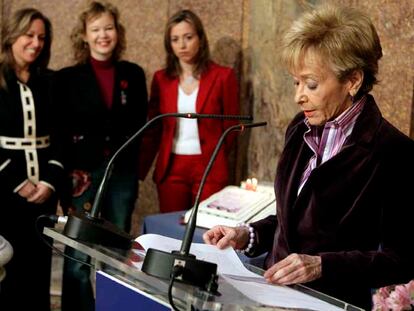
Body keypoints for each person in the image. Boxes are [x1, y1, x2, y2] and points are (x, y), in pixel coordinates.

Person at [203, 4, 414, 310]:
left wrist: (320, 265)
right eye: (296, 82)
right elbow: (292, 222)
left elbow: (401, 259)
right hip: (271, 298)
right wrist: (246, 235)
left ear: (353, 80)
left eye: (311, 84)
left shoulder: (393, 151)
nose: (298, 95)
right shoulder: (299, 128)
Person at [53, 1, 148, 310]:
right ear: (84, 35)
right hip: (82, 176)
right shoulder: (67, 78)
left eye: (108, 28)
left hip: (121, 177)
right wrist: (67, 177)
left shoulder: (132, 75)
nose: (102, 35)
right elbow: (61, 131)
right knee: (78, 253)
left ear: (117, 32)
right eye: (95, 29)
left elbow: (140, 125)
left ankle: (110, 305)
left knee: (114, 252)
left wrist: (133, 169)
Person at [142, 9, 240, 213]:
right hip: (172, 166)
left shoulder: (223, 76)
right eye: (175, 39)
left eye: (188, 37)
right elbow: (155, 126)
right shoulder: (162, 79)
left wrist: (217, 153)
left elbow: (233, 126)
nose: (182, 45)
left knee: (206, 230)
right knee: (170, 229)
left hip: (209, 166)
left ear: (200, 38)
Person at [0, 8, 64, 311]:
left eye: (41, 37)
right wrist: (16, 181)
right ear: (12, 36)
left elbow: (62, 137)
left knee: (39, 266)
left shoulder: (50, 82)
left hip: (45, 192)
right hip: (5, 191)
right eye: (29, 35)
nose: (36, 43)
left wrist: (50, 181)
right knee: (8, 268)